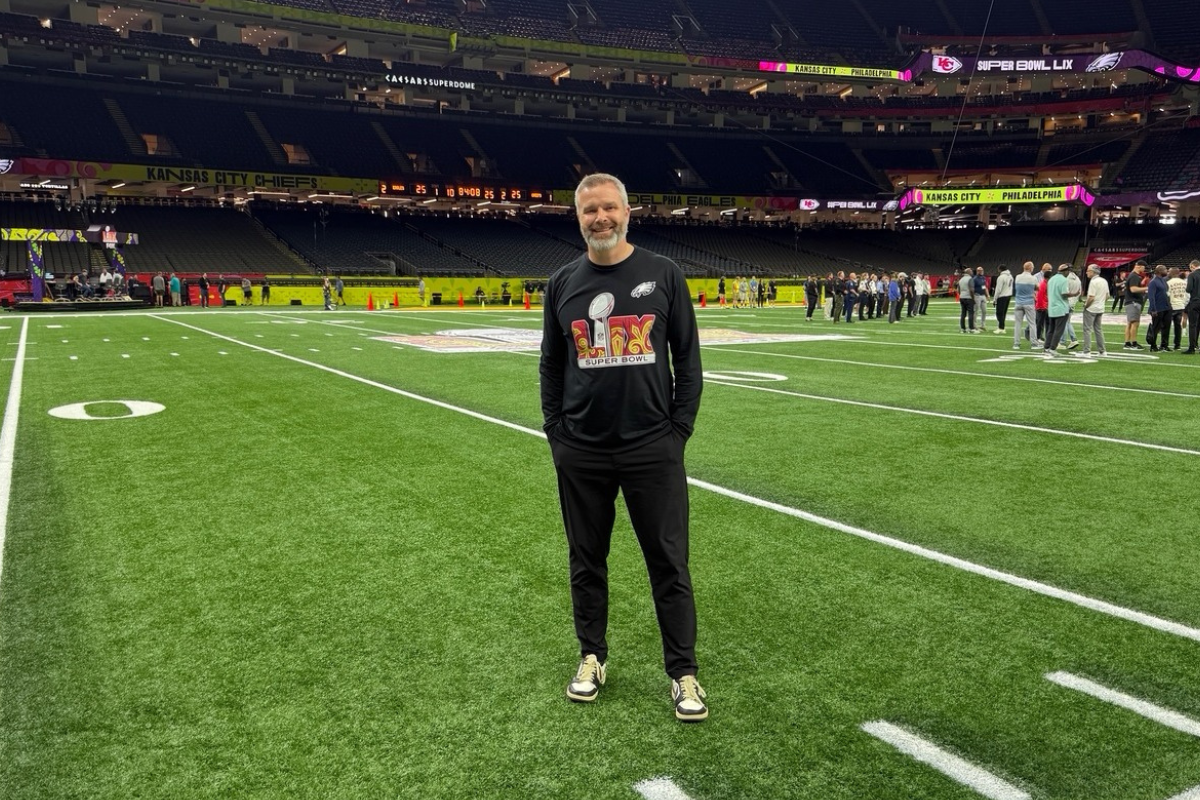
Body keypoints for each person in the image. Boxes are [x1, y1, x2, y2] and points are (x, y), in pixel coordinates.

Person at [540, 173, 706, 723]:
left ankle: (683, 672)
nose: (601, 218)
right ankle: (592, 656)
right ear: (579, 217)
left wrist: (676, 433)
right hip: (582, 452)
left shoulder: (664, 274)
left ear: (628, 211)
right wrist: (556, 433)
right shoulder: (562, 283)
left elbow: (688, 359)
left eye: (609, 208)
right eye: (590, 211)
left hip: (651, 449)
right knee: (586, 561)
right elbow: (551, 365)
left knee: (668, 563)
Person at [1043, 264, 1074, 358]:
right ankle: (1052, 348)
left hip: (1051, 308)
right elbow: (1064, 294)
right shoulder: (1064, 280)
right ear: (1065, 271)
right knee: (1059, 330)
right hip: (1061, 308)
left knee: (1050, 330)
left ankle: (1046, 348)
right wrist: (1074, 294)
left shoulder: (1051, 279)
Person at [1012, 261, 1042, 350]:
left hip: (1018, 303)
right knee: (1032, 323)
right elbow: (1038, 288)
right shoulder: (1033, 278)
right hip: (1029, 303)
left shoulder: (1017, 277)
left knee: (1017, 324)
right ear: (1030, 268)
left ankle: (1016, 344)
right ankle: (1034, 343)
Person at [1081, 264, 1108, 357]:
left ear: (1093, 272)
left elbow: (1091, 297)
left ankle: (1086, 351)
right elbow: (1107, 296)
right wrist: (1100, 302)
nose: (1087, 272)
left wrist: (1086, 305)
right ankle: (1102, 351)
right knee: (1098, 329)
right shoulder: (1104, 281)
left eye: (1088, 270)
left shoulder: (1093, 282)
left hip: (1091, 308)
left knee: (1087, 330)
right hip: (1100, 308)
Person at [1123, 261, 1148, 350]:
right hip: (1133, 302)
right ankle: (1133, 343)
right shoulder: (1134, 276)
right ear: (1139, 266)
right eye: (1143, 267)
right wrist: (1146, 288)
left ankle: (1127, 342)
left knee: (1130, 322)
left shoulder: (1132, 275)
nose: (1144, 269)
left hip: (1130, 301)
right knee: (1134, 323)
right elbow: (1133, 289)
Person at [1146, 265, 1171, 353]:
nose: (1167, 271)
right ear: (1159, 271)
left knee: (1166, 327)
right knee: (1156, 327)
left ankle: (1164, 345)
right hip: (1158, 308)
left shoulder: (1163, 281)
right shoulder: (1153, 282)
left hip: (1166, 307)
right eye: (1165, 269)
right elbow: (1151, 296)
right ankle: (1153, 346)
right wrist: (1153, 309)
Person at [1167, 267, 1187, 351]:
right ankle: (1177, 345)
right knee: (1178, 326)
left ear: (1172, 273)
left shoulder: (1168, 282)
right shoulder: (1184, 282)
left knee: (1166, 326)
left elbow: (1167, 294)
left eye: (1169, 271)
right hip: (1180, 306)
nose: (1168, 273)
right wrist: (1183, 303)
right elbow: (1187, 295)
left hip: (1171, 306)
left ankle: (1165, 344)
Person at [1185, 260, 1200, 354]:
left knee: (1192, 325)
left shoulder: (1192, 275)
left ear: (1193, 266)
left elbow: (1188, 289)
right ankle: (1197, 345)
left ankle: (1192, 348)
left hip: (1195, 301)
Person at [993, 264, 1013, 333]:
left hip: (1002, 296)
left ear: (1000, 269)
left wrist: (995, 299)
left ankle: (1001, 327)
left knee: (999, 313)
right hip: (1008, 295)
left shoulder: (1001, 277)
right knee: (1004, 313)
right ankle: (1002, 327)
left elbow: (998, 289)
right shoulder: (1010, 276)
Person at [972, 267, 989, 331]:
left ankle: (983, 325)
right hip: (977, 295)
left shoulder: (983, 278)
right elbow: (972, 288)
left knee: (984, 311)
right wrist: (973, 296)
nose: (982, 271)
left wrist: (987, 295)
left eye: (982, 270)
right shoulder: (975, 279)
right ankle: (974, 325)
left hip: (983, 296)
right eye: (980, 270)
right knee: (976, 311)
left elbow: (984, 287)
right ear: (977, 271)